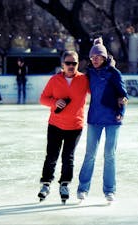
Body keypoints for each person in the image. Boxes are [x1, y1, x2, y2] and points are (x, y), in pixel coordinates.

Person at [77, 37, 128, 202]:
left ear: (104, 57)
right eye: (92, 57)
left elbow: (123, 95)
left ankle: (109, 190)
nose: (95, 59)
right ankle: (83, 188)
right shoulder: (89, 74)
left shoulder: (114, 73)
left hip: (113, 118)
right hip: (94, 119)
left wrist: (121, 111)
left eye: (98, 56)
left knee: (109, 155)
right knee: (90, 154)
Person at [37, 50, 89, 203]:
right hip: (55, 125)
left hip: (75, 126)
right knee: (51, 156)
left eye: (74, 63)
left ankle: (64, 184)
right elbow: (42, 98)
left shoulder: (84, 80)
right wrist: (54, 102)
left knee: (68, 157)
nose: (71, 66)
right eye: (68, 63)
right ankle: (46, 184)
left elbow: (98, 90)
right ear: (62, 65)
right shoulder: (54, 80)